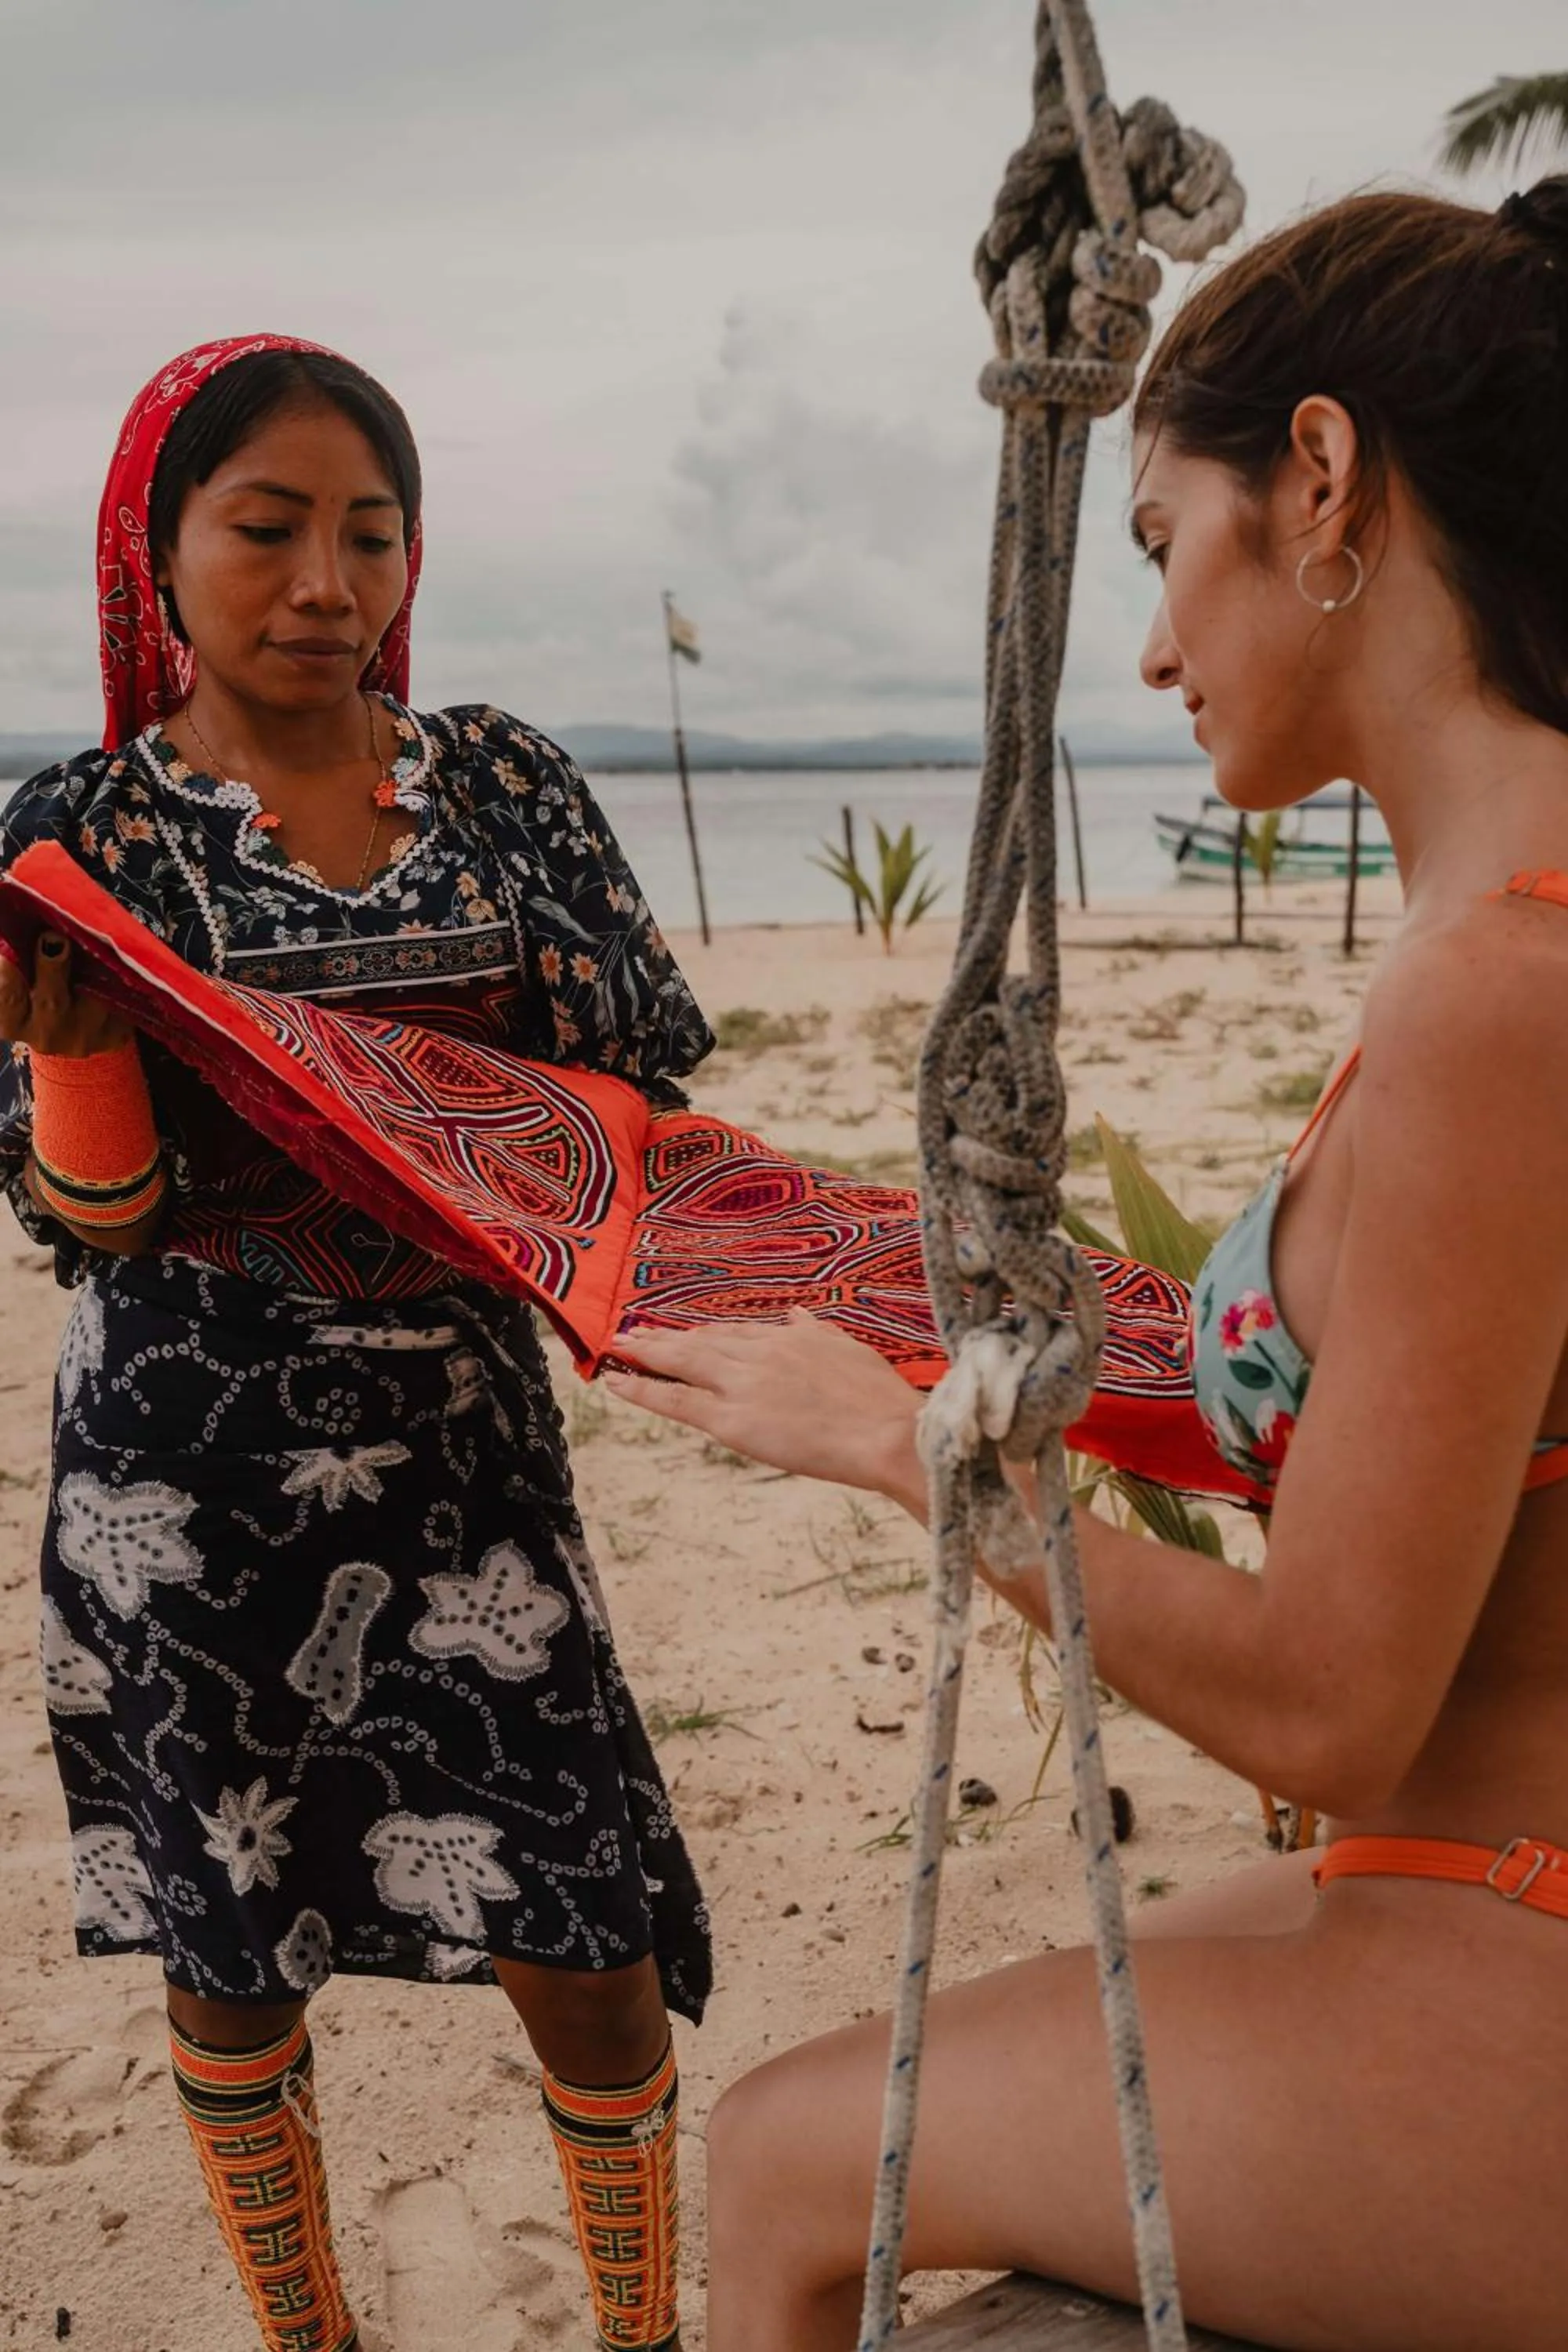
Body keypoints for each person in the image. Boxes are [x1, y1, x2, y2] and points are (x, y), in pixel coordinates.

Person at [605, 180, 1568, 2352]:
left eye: (1156, 546)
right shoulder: (1498, 940)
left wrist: (908, 1452)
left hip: (1519, 1954)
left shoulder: (1499, 993)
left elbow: (1337, 1697)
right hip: (1441, 1884)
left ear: (1318, 480)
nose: (1147, 647)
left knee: (770, 2158)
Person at [0, 334, 711, 2352]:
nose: (328, 578)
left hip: (468, 1448)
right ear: (160, 549)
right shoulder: (81, 838)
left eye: (372, 532)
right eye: (269, 526)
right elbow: (98, 1227)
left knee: (581, 1931)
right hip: (187, 1472)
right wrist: (78, 1077)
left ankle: (642, 2332)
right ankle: (312, 2339)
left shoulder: (497, 783)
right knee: (233, 1943)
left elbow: (621, 1096)